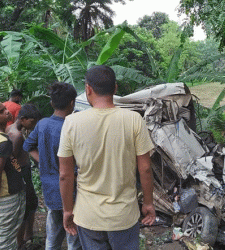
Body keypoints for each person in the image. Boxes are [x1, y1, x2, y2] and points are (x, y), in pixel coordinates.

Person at [58, 65, 156, 250]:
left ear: (88, 89)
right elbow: (144, 168)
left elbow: (65, 175)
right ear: (115, 88)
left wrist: (68, 210)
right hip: (124, 215)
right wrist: (149, 203)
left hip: (88, 216)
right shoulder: (134, 119)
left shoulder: (71, 122)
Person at [23, 83, 81, 250]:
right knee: (73, 235)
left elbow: (28, 146)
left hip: (50, 190)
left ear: (51, 103)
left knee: (53, 235)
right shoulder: (71, 127)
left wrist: (44, 161)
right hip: (71, 190)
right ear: (72, 103)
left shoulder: (42, 124)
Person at [0, 101, 26, 250]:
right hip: (6, 195)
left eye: (4, 108)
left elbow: (12, 160)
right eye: (0, 112)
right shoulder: (3, 142)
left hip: (9, 192)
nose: (6, 112)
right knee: (5, 239)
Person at [6, 104, 41, 249]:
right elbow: (11, 158)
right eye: (32, 122)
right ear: (23, 119)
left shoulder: (12, 129)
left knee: (30, 203)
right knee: (27, 205)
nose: (33, 125)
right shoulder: (17, 135)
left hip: (22, 171)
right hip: (21, 173)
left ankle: (27, 237)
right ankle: (21, 241)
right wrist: (19, 174)